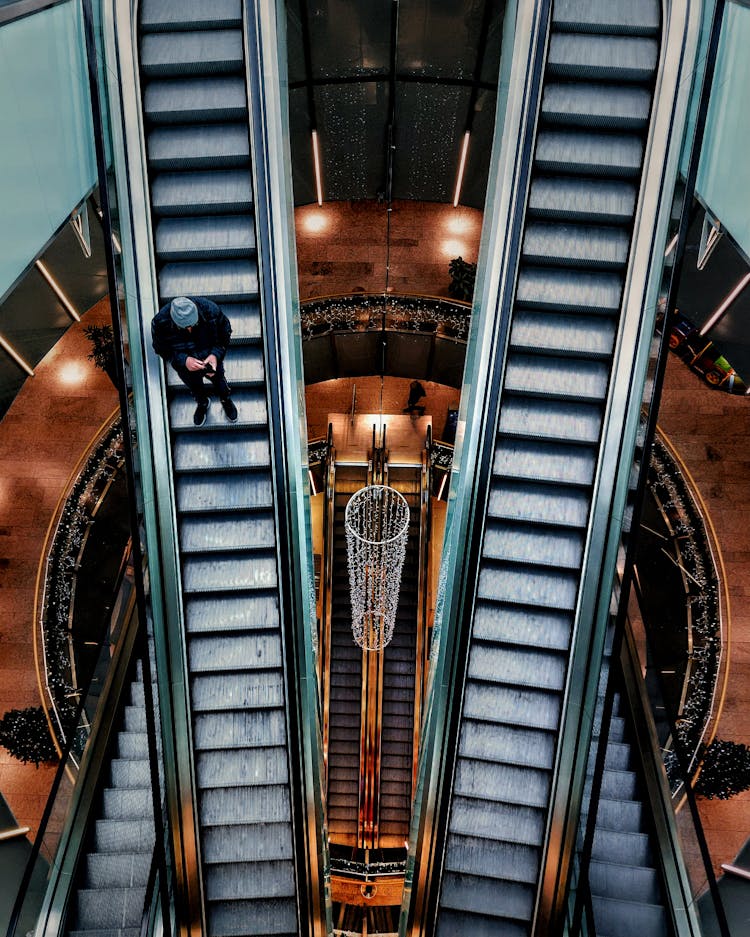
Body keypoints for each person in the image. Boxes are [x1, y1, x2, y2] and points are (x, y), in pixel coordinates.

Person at [151, 296, 238, 427]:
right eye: (183, 327)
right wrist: (184, 360)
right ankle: (202, 402)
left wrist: (215, 355)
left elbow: (225, 334)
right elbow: (161, 349)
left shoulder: (211, 311)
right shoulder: (160, 322)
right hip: (185, 368)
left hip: (210, 359)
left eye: (193, 324)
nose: (189, 329)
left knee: (220, 382)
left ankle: (225, 400)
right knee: (195, 387)